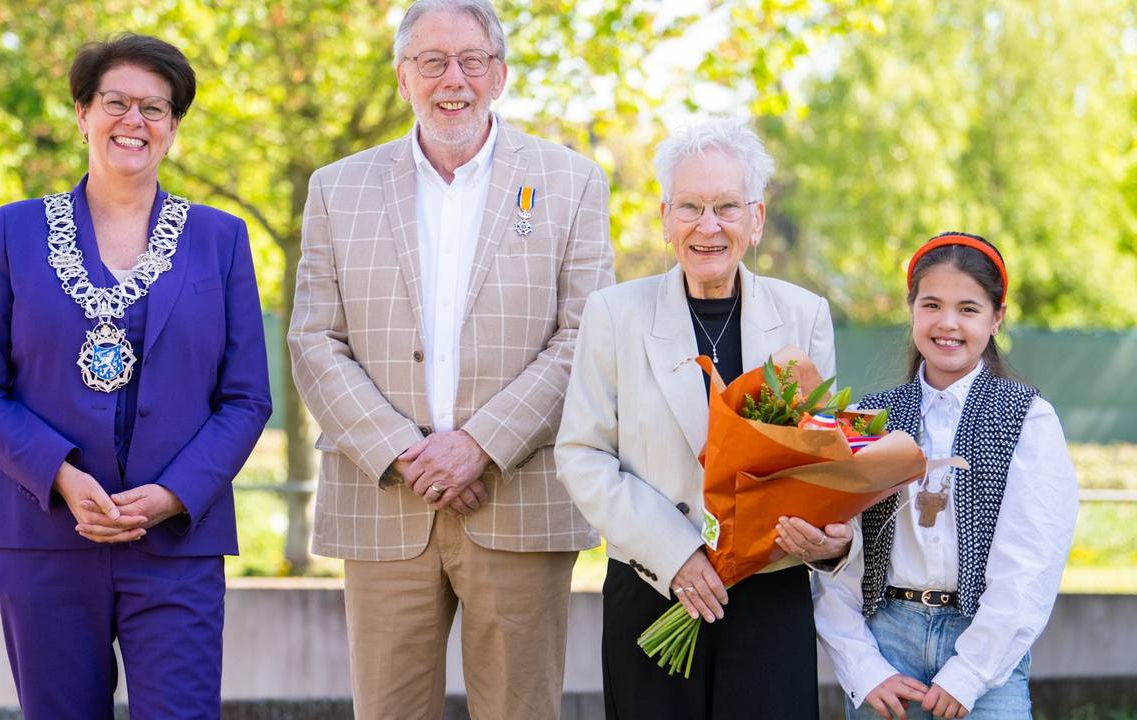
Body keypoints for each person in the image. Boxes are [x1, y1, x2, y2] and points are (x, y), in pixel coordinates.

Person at [287, 0, 613, 716]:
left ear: (499, 75)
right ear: (404, 77)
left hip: (519, 495)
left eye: (471, 60)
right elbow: (314, 341)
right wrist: (407, 452)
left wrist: (480, 446)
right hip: (383, 500)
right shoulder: (336, 188)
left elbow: (586, 335)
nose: (452, 79)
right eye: (431, 61)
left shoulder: (572, 181)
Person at [0, 33, 272, 719]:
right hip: (40, 536)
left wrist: (174, 494)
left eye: (154, 108)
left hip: (175, 542)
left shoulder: (222, 239)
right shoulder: (13, 232)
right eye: (116, 103)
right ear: (82, 114)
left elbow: (246, 399)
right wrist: (60, 476)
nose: (135, 122)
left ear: (174, 126)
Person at [555, 117, 854, 719]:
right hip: (654, 588)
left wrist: (826, 540)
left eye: (726, 206)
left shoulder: (805, 315)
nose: (707, 226)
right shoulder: (615, 314)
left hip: (769, 592)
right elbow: (581, 454)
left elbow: (823, 459)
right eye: (689, 206)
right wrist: (678, 555)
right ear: (666, 220)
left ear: (757, 219)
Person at [812, 232, 1078, 720]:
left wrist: (970, 672)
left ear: (996, 318)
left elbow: (1031, 561)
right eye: (931, 304)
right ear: (911, 308)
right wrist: (863, 667)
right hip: (885, 639)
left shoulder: (1028, 418)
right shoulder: (867, 421)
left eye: (969, 309)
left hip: (985, 645)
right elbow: (840, 560)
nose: (948, 323)